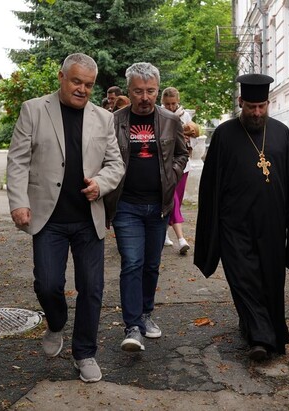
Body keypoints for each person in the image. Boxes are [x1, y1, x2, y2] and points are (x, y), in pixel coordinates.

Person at [194, 73, 289, 361]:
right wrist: (211, 227)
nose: (257, 113)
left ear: (268, 103)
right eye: (251, 107)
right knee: (243, 278)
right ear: (240, 102)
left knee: (270, 280)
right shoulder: (224, 134)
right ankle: (260, 338)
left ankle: (260, 329)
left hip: (271, 223)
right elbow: (211, 186)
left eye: (262, 107)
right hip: (234, 224)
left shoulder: (280, 132)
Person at [6, 53, 124, 383]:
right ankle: (56, 322)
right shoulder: (34, 110)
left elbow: (115, 164)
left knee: (92, 288)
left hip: (89, 219)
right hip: (48, 217)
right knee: (47, 283)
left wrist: (100, 184)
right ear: (61, 77)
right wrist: (18, 202)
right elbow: (17, 161)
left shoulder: (104, 118)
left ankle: (84, 353)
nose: (82, 89)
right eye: (76, 82)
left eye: (88, 84)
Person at [104, 62, 188, 352]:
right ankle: (132, 326)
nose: (145, 97)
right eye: (138, 91)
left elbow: (182, 152)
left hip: (159, 206)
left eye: (150, 91)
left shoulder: (169, 120)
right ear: (129, 90)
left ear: (157, 89)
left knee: (152, 264)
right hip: (126, 205)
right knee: (132, 263)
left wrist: (173, 174)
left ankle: (146, 314)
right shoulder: (114, 121)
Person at [160, 86, 196, 253]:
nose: (171, 107)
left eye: (173, 103)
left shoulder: (186, 115)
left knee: (177, 201)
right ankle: (181, 239)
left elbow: (193, 141)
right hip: (167, 164)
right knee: (172, 200)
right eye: (167, 104)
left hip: (184, 165)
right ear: (162, 103)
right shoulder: (159, 115)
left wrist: (188, 138)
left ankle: (164, 234)